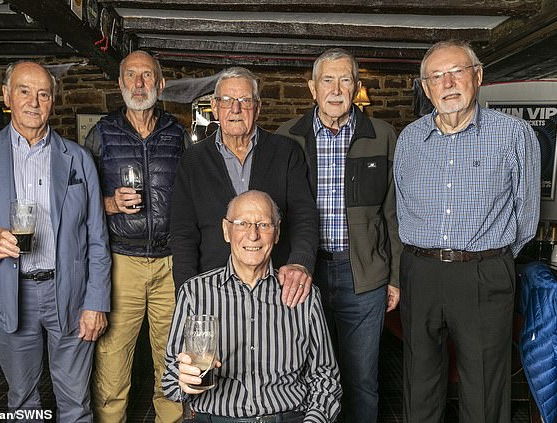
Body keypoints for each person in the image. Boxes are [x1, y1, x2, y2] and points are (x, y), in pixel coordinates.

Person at [0, 61, 111, 422]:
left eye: (43, 94)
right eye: (24, 91)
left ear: (53, 101)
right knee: (22, 400)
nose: (34, 102)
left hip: (69, 293)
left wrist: (96, 302)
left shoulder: (78, 159)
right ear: (7, 96)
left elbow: (98, 239)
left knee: (76, 402)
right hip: (12, 292)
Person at [393, 39, 540, 423]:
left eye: (457, 71)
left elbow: (527, 216)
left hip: (483, 271)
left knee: (484, 387)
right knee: (419, 381)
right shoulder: (409, 139)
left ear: (477, 76)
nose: (447, 83)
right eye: (436, 76)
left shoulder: (513, 135)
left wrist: (489, 257)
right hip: (420, 272)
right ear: (426, 88)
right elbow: (400, 208)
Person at [276, 48, 402, 423]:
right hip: (304, 274)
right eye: (327, 80)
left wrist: (395, 278)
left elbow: (394, 215)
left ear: (356, 86)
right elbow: (275, 213)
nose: (336, 88)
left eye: (345, 79)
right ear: (312, 88)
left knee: (362, 379)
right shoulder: (287, 137)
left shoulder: (382, 136)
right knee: (302, 375)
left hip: (363, 277)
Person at [163, 190, 342, 423]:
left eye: (264, 225)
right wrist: (184, 381)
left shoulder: (303, 294)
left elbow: (325, 377)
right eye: (243, 223)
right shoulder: (195, 293)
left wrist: (314, 420)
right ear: (226, 230)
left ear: (276, 234)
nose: (253, 235)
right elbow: (169, 380)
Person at [84, 50, 185, 423]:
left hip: (170, 262)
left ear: (160, 84)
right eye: (131, 76)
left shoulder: (177, 133)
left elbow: (191, 195)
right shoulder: (102, 133)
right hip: (120, 261)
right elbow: (81, 197)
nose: (139, 83)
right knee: (112, 361)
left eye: (146, 76)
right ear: (120, 83)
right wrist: (110, 203)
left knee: (172, 356)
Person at [170, 67, 318, 307]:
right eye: (226, 101)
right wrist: (187, 292)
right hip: (213, 290)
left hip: (277, 290)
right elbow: (183, 233)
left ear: (257, 108)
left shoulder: (286, 152)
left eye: (245, 101)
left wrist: (301, 262)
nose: (235, 109)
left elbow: (304, 215)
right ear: (215, 108)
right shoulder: (193, 161)